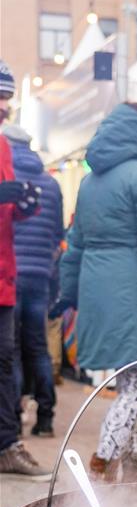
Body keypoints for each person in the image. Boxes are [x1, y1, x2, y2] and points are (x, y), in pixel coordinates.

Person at [55, 102, 137, 482]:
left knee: (129, 379)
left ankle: (135, 466)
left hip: (97, 291)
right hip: (134, 295)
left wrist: (68, 295)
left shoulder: (88, 183)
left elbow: (74, 245)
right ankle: (103, 462)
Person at [0, 59, 49, 480]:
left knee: (5, 360)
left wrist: (21, 206)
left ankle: (6, 444)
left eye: (6, 101)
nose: (3, 108)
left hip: (5, 276)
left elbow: (7, 211)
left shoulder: (3, 147)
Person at [5, 123, 64, 437]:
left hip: (9, 275)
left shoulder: (6, 178)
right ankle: (45, 418)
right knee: (38, 347)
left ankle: (12, 419)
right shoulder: (51, 184)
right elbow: (58, 235)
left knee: (11, 349)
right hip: (40, 275)